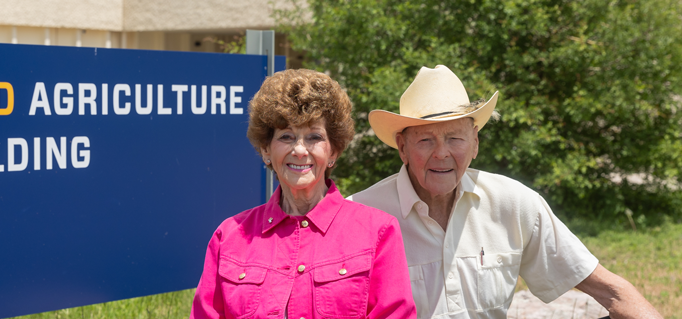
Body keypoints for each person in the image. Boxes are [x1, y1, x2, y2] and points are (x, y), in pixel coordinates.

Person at [348, 65, 662, 319]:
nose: (441, 154)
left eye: (455, 139)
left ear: (475, 143)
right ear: (402, 147)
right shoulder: (359, 218)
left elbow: (612, 292)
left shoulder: (513, 203)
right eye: (426, 140)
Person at [190, 69, 417, 319]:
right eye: (286, 136)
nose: (299, 150)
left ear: (333, 151)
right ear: (266, 149)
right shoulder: (229, 238)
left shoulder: (378, 232)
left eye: (314, 137)